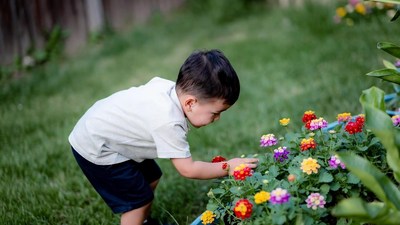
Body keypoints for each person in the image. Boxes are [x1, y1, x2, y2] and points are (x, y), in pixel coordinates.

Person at [69, 49, 259, 225]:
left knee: (151, 177)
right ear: (191, 103)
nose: (217, 119)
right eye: (215, 113)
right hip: (97, 145)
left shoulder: (171, 90)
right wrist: (228, 167)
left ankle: (142, 221)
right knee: (137, 202)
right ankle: (136, 215)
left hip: (105, 130)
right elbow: (188, 169)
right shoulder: (168, 122)